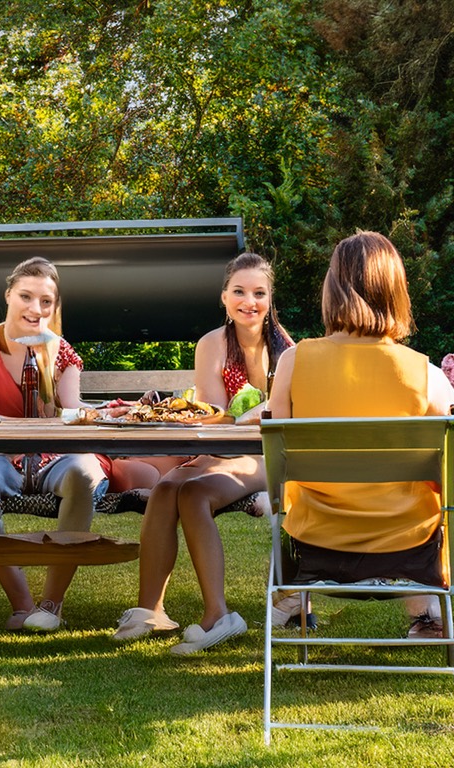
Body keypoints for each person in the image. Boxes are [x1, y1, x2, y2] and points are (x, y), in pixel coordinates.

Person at [266, 231, 454, 647]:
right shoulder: (426, 376)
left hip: (315, 545)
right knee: (451, 515)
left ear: (332, 289)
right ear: (395, 292)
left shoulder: (293, 363)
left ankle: (293, 602)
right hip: (410, 552)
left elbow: (280, 463)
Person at [112, 252, 294, 655]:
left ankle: (218, 616)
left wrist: (248, 416)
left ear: (270, 298)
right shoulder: (212, 344)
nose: (250, 301)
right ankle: (150, 609)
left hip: (267, 454)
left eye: (259, 292)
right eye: (240, 291)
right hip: (219, 449)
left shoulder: (288, 350)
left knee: (193, 493)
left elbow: (279, 415)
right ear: (224, 298)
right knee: (165, 488)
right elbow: (213, 414)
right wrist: (244, 417)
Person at [0, 256, 110, 632]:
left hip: (55, 456)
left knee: (84, 475)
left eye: (46, 301)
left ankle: (51, 604)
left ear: (54, 305)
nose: (36, 309)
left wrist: (108, 407)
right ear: (8, 295)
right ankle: (21, 602)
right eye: (26, 297)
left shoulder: (60, 350)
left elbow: (71, 411)